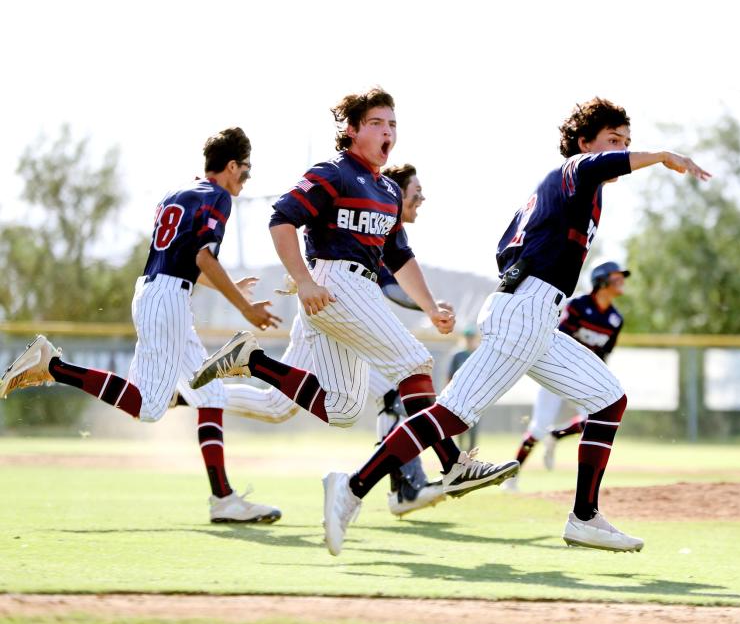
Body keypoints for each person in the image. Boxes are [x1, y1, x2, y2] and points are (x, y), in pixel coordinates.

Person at [319, 97, 710, 555]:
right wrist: (662, 155)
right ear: (585, 143)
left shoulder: (572, 190)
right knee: (451, 414)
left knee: (608, 399)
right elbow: (595, 169)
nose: (621, 149)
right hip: (527, 310)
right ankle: (351, 486)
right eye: (612, 141)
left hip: (534, 312)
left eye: (626, 142)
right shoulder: (577, 169)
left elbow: (505, 249)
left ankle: (585, 517)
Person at [189, 88, 518, 549]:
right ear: (352, 129)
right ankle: (452, 463)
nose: (388, 132)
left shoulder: (386, 188)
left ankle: (254, 361)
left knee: (342, 409)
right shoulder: (333, 172)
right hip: (334, 281)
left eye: (393, 125)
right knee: (415, 364)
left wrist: (430, 306)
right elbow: (281, 220)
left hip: (355, 287)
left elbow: (400, 257)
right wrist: (303, 280)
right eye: (378, 123)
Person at [0, 127, 283, 523]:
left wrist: (230, 287)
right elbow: (203, 258)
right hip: (166, 300)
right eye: (246, 171)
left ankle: (224, 499)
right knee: (148, 407)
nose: (245, 179)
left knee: (211, 394)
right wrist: (245, 307)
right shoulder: (217, 196)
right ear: (232, 165)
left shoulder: (179, 193)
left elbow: (184, 260)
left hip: (160, 294)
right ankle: (53, 366)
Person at [222, 162, 446, 517]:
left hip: (335, 311)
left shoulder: (378, 230)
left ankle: (202, 386)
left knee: (312, 408)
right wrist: (427, 308)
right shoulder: (367, 209)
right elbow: (385, 283)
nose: (421, 199)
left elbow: (392, 273)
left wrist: (429, 306)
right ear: (396, 192)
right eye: (416, 193)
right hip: (329, 309)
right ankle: (409, 485)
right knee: (393, 387)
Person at [504, 260, 629, 490]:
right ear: (601, 280)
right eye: (616, 275)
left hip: (582, 376)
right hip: (556, 371)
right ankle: (511, 477)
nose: (621, 280)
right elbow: (556, 340)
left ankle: (557, 435)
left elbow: (603, 355)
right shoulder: (578, 305)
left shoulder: (615, 319)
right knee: (538, 427)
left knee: (598, 417)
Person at [446, 326, 480, 451]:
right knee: (459, 424)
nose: (469, 340)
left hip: (475, 396)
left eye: (471, 338)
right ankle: (461, 452)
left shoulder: (478, 353)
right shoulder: (458, 355)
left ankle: (472, 453)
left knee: (474, 426)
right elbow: (450, 375)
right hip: (459, 396)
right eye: (468, 338)